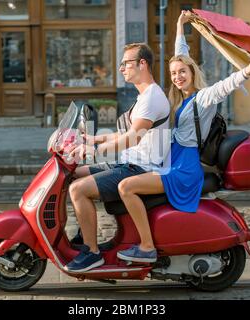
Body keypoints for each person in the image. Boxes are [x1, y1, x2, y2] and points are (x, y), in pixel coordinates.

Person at [115, 10, 250, 263]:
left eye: (182, 72)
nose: (177, 77)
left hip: (183, 168)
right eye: (174, 74)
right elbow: (182, 54)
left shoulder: (202, 98)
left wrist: (249, 70)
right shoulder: (179, 98)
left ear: (192, 73)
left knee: (126, 187)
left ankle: (147, 247)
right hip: (170, 162)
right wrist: (180, 26)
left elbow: (225, 86)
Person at [64, 43, 171, 272]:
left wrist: (95, 152)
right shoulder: (144, 96)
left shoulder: (152, 97)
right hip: (128, 162)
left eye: (126, 63)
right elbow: (125, 133)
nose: (122, 68)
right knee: (73, 175)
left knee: (78, 190)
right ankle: (85, 232)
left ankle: (91, 253)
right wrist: (94, 140)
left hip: (140, 168)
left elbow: (134, 138)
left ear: (143, 64)